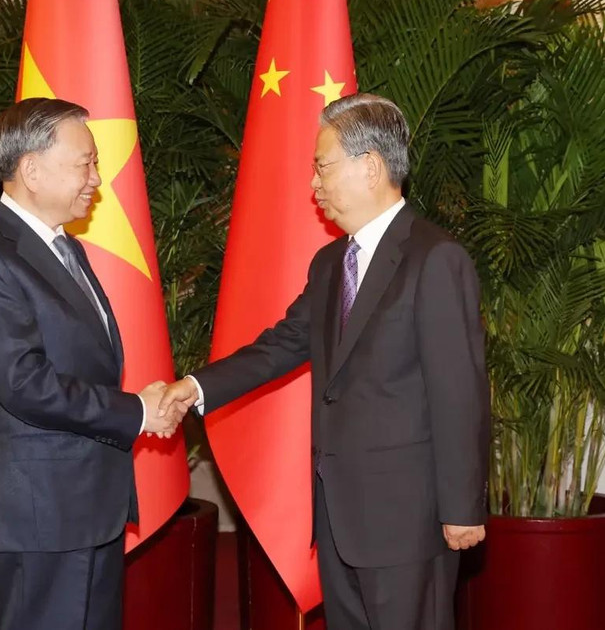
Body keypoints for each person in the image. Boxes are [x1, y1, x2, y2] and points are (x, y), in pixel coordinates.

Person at [160, 93, 490, 630]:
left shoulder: (434, 258)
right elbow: (282, 344)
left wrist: (461, 508)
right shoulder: (332, 262)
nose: (314, 183)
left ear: (370, 167)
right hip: (338, 517)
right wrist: (195, 387)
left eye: (323, 166)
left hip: (408, 521)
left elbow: (459, 392)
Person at [0, 97, 184, 630]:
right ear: (31, 170)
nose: (97, 179)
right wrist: (137, 412)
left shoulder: (65, 248)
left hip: (88, 506)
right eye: (86, 163)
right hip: (40, 514)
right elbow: (23, 383)